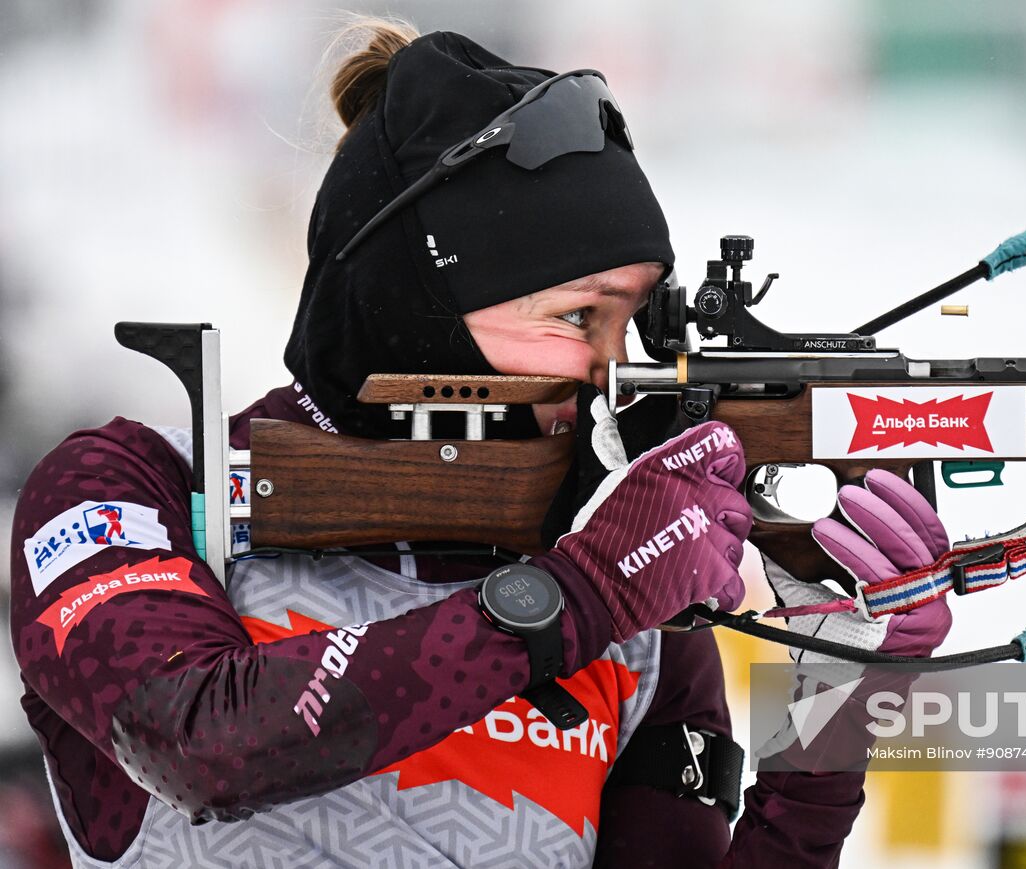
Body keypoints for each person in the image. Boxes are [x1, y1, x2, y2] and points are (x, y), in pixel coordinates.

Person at [9, 20, 952, 868]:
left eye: (635, 321)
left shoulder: (634, 597)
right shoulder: (139, 488)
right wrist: (576, 595)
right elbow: (203, 742)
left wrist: (835, 696)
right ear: (417, 307)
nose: (614, 370)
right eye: (579, 315)